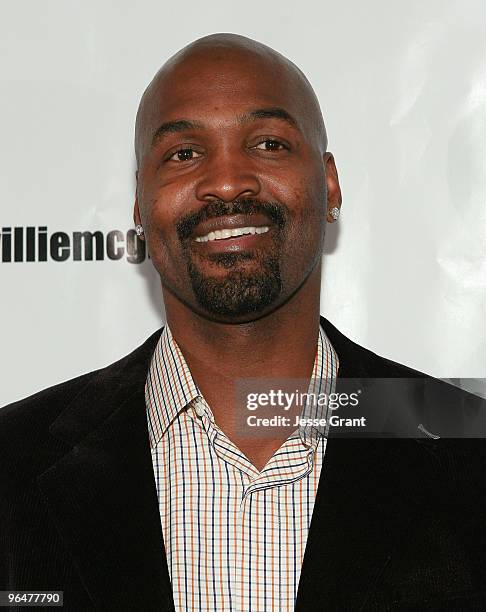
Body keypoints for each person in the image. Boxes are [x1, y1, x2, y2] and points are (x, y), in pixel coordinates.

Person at [1, 33, 485, 612]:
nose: (227, 182)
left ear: (328, 184)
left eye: (268, 143)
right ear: (138, 205)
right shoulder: (13, 461)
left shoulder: (467, 443)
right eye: (183, 153)